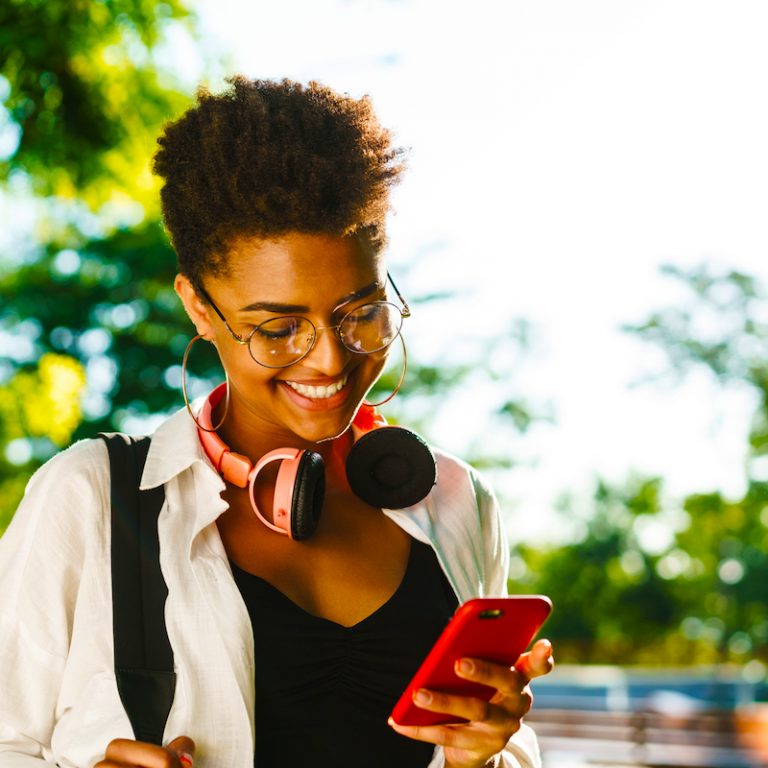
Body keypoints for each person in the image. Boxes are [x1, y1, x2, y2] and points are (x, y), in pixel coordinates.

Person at [0, 77, 554, 768]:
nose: (327, 358)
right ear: (200, 308)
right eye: (278, 327)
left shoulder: (453, 499)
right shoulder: (92, 497)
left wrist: (483, 756)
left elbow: (509, 753)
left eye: (359, 313)